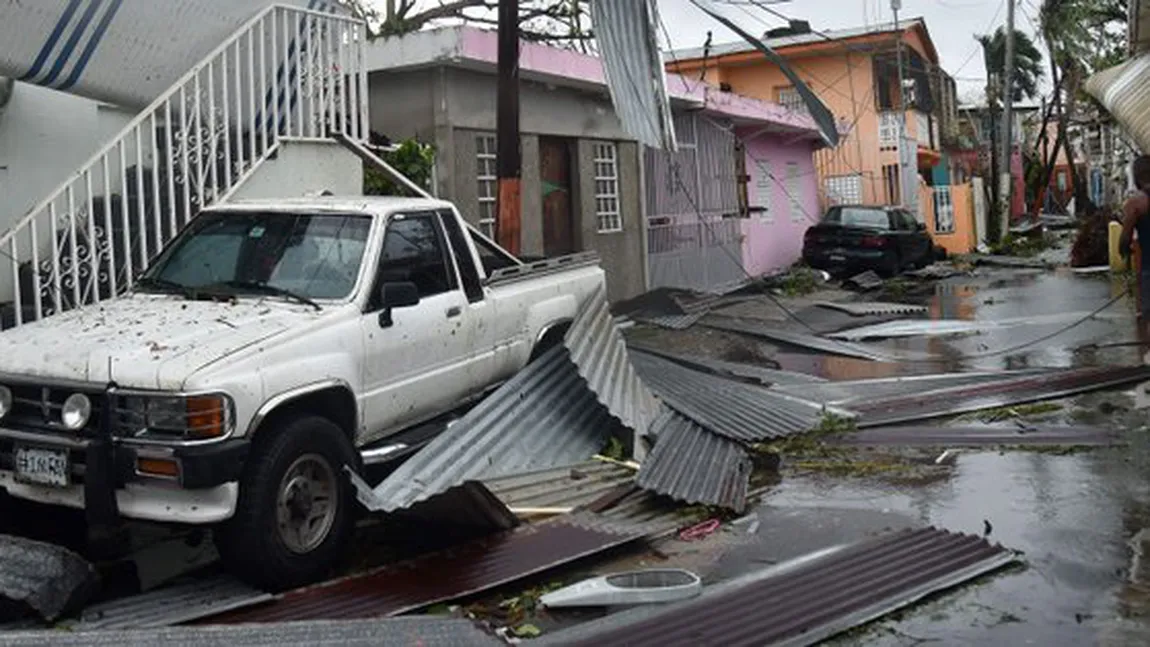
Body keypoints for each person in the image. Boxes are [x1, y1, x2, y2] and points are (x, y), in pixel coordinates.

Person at [1119, 155, 1150, 337]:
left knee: (1147, 316)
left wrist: (1124, 251)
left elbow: (1124, 239)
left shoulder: (1136, 203)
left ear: (1136, 177)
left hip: (1148, 268)